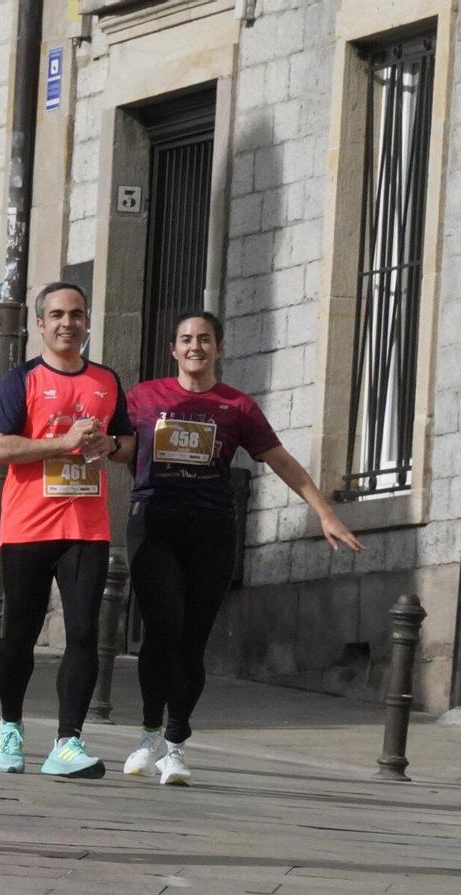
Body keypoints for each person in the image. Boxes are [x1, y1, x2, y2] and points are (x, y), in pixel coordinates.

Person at [124, 311, 363, 785]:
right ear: (173, 349)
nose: (196, 347)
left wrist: (325, 512)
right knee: (162, 629)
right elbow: (119, 448)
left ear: (220, 349)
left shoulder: (237, 406)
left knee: (192, 641)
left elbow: (281, 460)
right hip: (154, 527)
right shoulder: (142, 399)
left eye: (205, 340)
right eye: (187, 339)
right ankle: (149, 734)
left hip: (212, 531)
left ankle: (174, 745)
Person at [0, 281, 134, 779]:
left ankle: (68, 741)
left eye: (76, 314)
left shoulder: (107, 381)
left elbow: (129, 445)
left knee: (86, 631)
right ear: (40, 325)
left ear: (87, 322)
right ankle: (10, 728)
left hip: (87, 527)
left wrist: (107, 445)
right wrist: (62, 442)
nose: (68, 323)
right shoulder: (21, 379)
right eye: (57, 315)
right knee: (20, 633)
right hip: (27, 525)